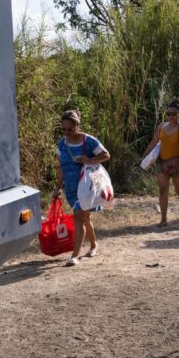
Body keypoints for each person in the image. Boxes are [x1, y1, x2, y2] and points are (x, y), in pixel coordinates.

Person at [54, 110, 110, 266]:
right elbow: (61, 167)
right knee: (85, 218)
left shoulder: (89, 141)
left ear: (77, 126)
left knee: (78, 217)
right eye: (63, 129)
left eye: (70, 129)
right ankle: (93, 245)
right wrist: (58, 187)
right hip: (70, 188)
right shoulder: (62, 143)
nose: (66, 133)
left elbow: (106, 155)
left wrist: (89, 160)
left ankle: (74, 256)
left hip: (86, 187)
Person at [142, 99, 179, 227]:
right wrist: (145, 155)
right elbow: (154, 141)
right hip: (162, 162)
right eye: (168, 114)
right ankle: (163, 219)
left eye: (174, 114)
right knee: (163, 190)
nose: (171, 116)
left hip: (178, 163)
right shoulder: (161, 127)